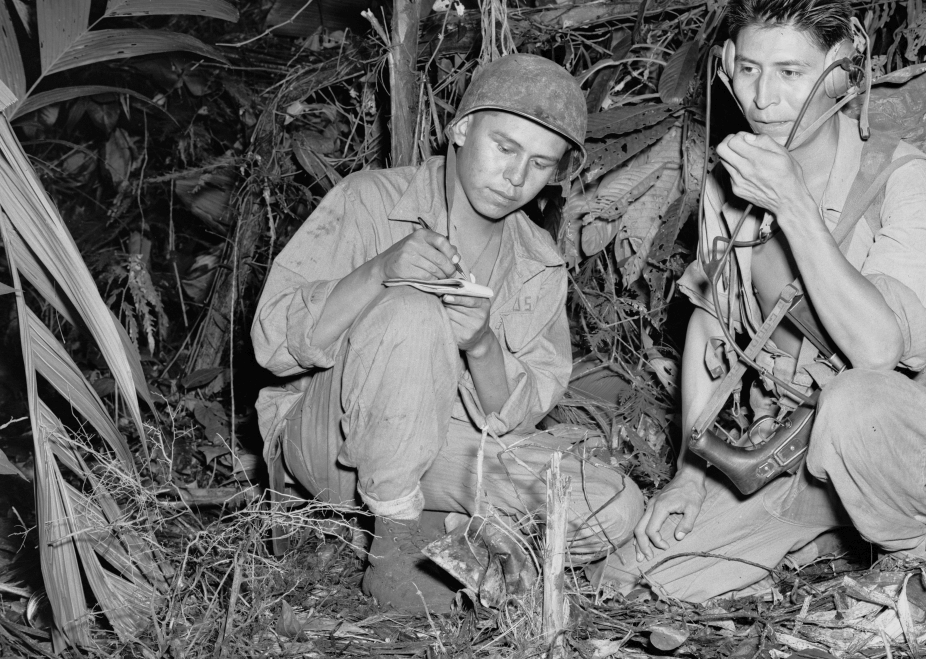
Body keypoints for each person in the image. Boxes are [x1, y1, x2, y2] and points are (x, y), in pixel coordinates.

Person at [597, 0, 926, 602]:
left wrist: (795, 206)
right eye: (748, 70)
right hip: (785, 444)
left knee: (857, 402)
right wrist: (690, 474)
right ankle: (829, 532)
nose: (763, 98)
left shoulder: (901, 178)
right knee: (646, 579)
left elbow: (878, 351)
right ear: (726, 68)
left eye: (791, 73)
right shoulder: (729, 185)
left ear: (840, 72)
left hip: (896, 445)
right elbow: (710, 330)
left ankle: (917, 563)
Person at [252, 53, 644, 612]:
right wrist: (379, 272)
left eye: (539, 164)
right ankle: (394, 552)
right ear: (462, 128)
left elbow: (521, 415)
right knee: (412, 311)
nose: (515, 178)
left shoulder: (537, 262)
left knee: (611, 507)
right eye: (504, 148)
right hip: (332, 443)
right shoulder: (370, 201)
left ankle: (449, 533)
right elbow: (271, 345)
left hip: (442, 451)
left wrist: (482, 345)